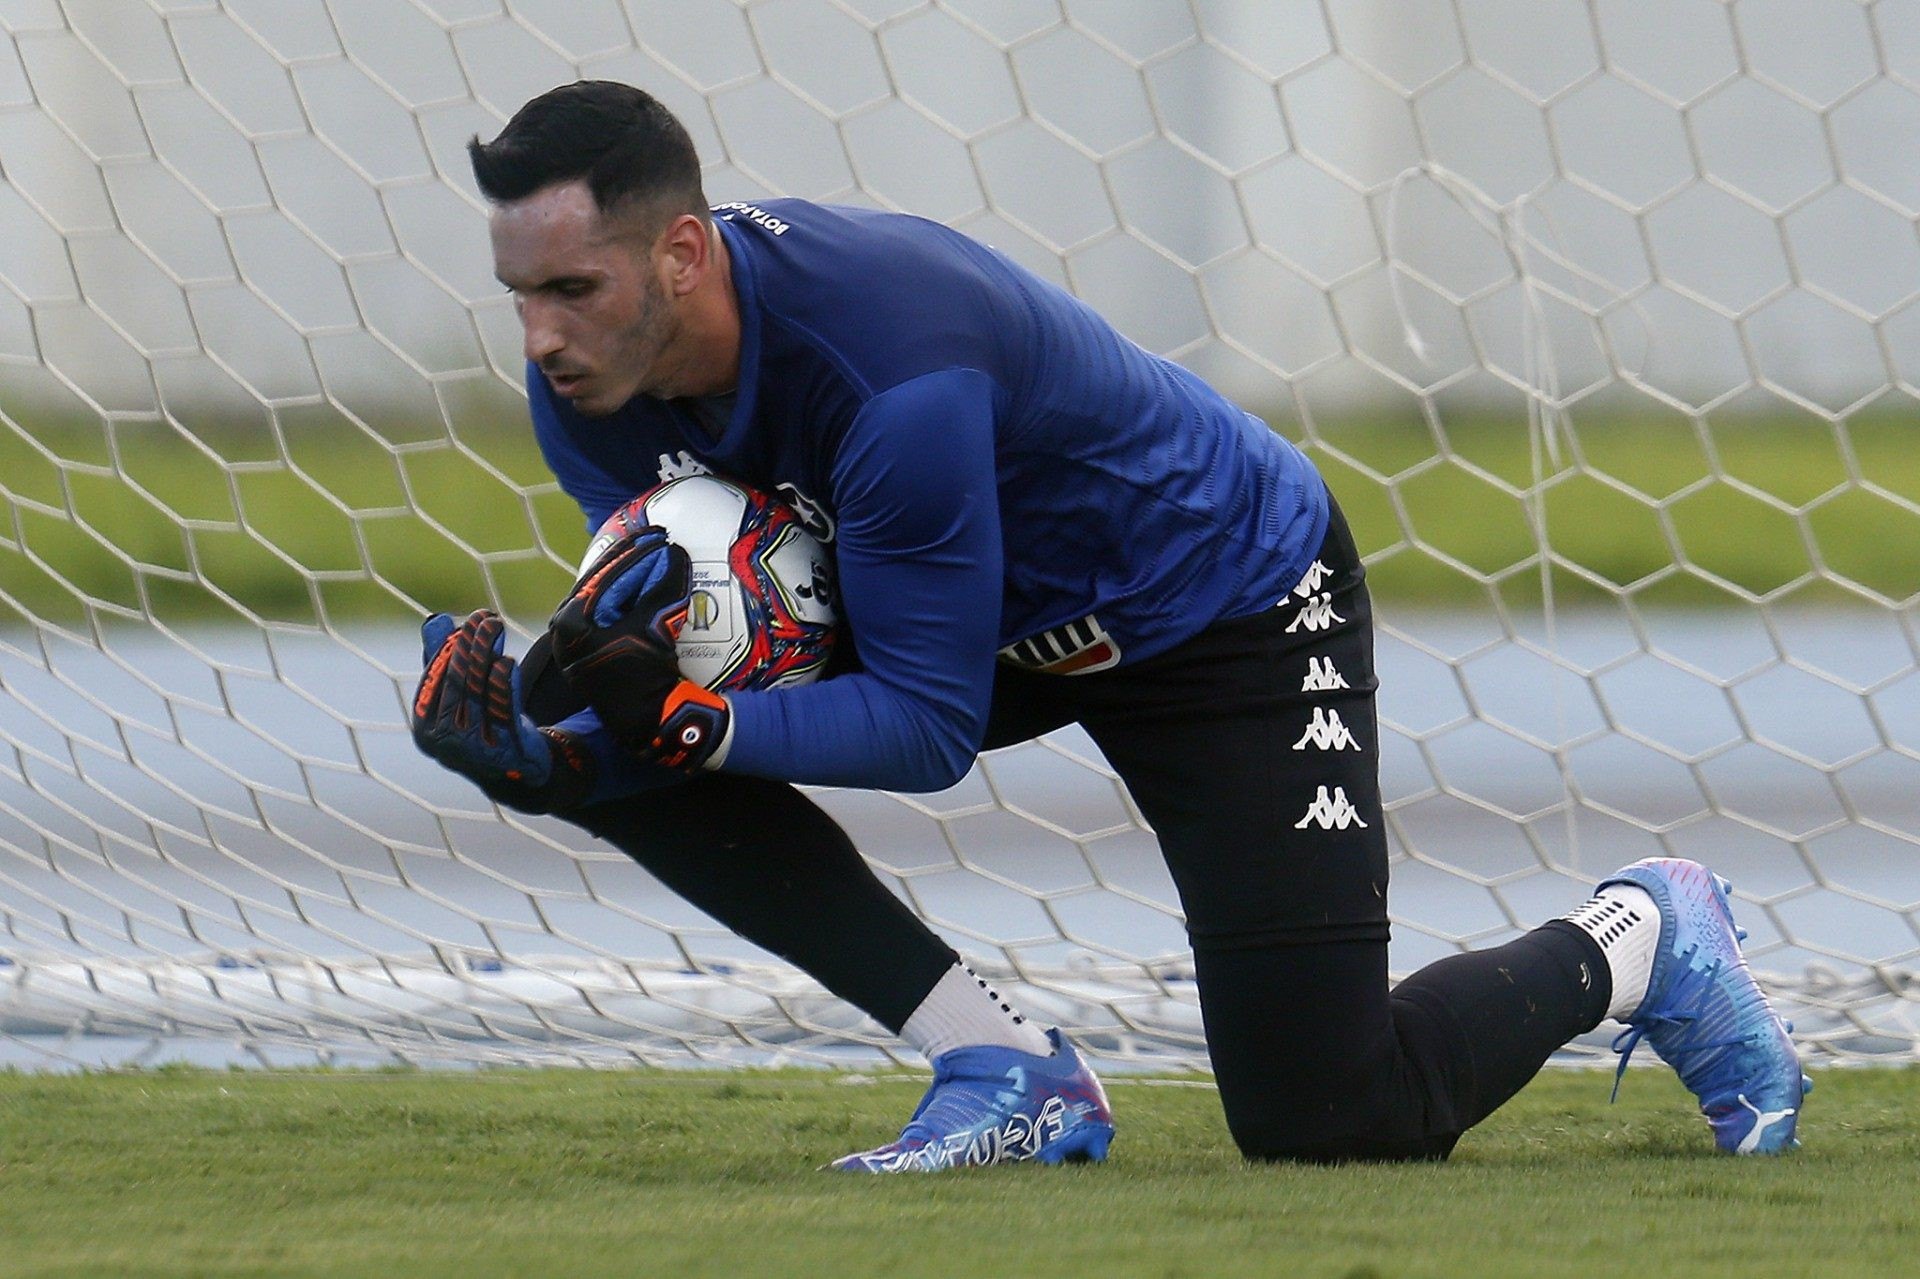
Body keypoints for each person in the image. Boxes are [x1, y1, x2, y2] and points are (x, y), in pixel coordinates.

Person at [410, 80, 1807, 1170]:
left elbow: (927, 728)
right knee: (603, 730)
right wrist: (550, 754)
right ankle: (1005, 1070)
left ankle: (1646, 937)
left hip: (1223, 605)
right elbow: (706, 649)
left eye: (572, 290)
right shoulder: (588, 388)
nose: (539, 337)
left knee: (1332, 1122)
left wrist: (686, 723)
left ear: (682, 253)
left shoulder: (889, 373)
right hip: (978, 613)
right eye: (522, 295)